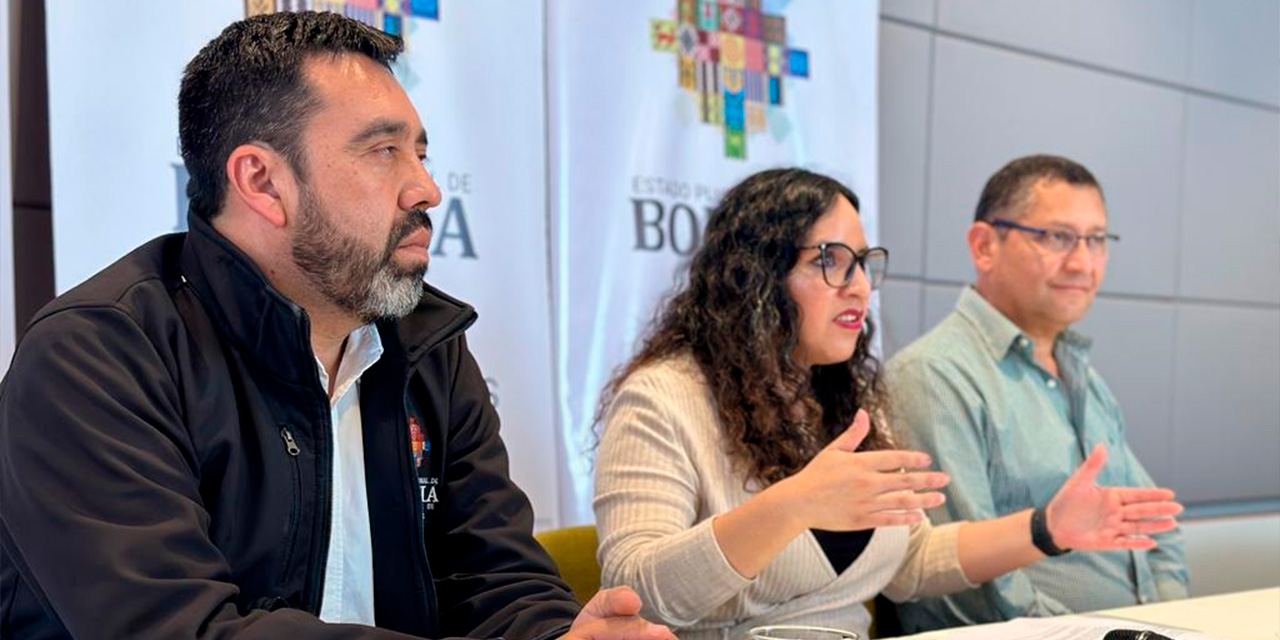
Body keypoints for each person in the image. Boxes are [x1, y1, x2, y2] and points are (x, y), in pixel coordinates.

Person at [0, 12, 672, 640]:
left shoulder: (428, 344)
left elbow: (497, 582)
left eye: (420, 152)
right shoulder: (99, 354)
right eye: (383, 151)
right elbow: (179, 628)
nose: (426, 189)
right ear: (262, 182)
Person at [592, 168, 1183, 640]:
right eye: (830, 261)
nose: (859, 287)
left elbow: (913, 562)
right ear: (754, 277)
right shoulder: (663, 399)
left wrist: (1045, 529)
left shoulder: (841, 396)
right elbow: (636, 590)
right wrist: (793, 504)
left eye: (863, 264)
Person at [886, 154, 1190, 631]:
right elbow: (961, 587)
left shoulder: (1080, 373)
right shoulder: (933, 376)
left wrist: (1170, 619)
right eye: (1056, 237)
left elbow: (1158, 525)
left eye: (1096, 240)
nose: (1082, 263)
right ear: (984, 246)